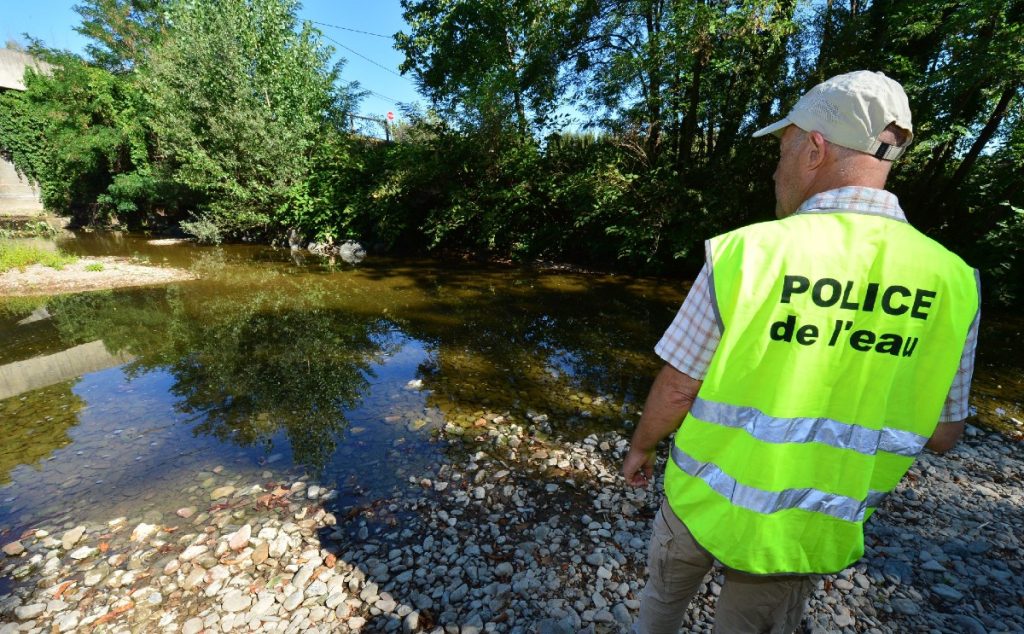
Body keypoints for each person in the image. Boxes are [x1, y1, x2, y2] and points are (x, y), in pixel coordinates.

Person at [622, 70, 981, 633]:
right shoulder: (955, 281)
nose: (775, 166)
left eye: (783, 148)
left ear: (814, 149)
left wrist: (640, 448)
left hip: (700, 499)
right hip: (807, 526)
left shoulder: (747, 252)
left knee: (661, 606)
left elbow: (678, 386)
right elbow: (943, 434)